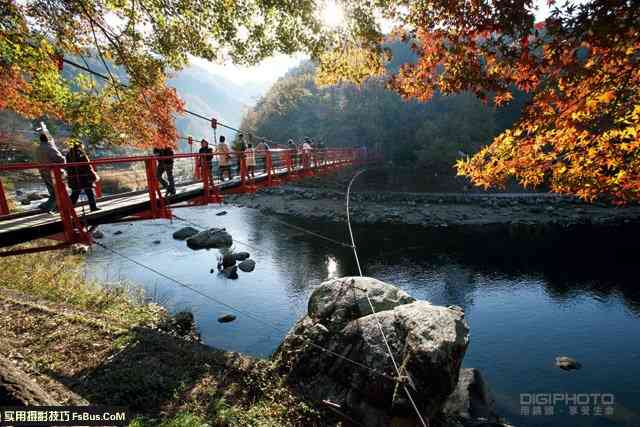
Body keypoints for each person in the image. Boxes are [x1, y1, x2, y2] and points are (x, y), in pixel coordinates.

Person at [35, 131, 66, 212]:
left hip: (43, 172)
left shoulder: (38, 149)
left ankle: (57, 208)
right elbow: (60, 159)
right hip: (52, 173)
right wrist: (64, 157)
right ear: (48, 139)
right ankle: (46, 207)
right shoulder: (50, 147)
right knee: (57, 192)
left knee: (53, 192)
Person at [66, 141, 100, 211]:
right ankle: (93, 207)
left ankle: (68, 209)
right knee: (89, 192)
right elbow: (87, 166)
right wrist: (93, 175)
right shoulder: (81, 154)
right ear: (80, 146)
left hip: (73, 177)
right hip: (84, 177)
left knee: (75, 194)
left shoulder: (68, 155)